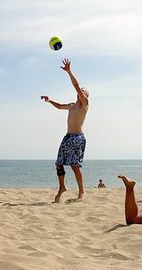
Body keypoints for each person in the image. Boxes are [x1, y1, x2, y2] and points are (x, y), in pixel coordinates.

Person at [41, 58, 89, 203]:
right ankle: (62, 188)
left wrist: (69, 72)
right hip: (68, 137)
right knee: (58, 163)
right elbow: (60, 106)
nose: (81, 92)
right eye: (81, 92)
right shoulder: (73, 105)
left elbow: (76, 85)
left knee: (74, 166)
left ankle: (81, 192)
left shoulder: (84, 104)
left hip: (78, 138)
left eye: (84, 92)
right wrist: (50, 101)